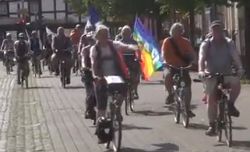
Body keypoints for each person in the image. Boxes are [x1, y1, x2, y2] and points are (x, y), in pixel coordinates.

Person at [90, 24, 138, 143]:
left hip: (115, 75)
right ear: (97, 36)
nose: (104, 37)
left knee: (123, 89)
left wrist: (135, 48)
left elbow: (125, 46)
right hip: (101, 77)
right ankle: (100, 132)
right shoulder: (94, 49)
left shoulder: (113, 44)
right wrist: (96, 76)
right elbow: (93, 63)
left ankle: (116, 109)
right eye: (102, 35)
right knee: (101, 106)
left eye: (106, 35)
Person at [198, 20, 244, 136]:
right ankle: (212, 125)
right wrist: (201, 70)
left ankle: (231, 104)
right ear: (211, 31)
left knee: (236, 83)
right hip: (211, 74)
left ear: (223, 31)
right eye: (214, 29)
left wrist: (240, 68)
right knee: (211, 99)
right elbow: (201, 58)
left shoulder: (229, 43)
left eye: (219, 29)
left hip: (226, 73)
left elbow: (235, 56)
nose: (217, 31)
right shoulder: (206, 43)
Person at [161, 22, 196, 117]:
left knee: (188, 87)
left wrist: (193, 61)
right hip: (170, 66)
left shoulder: (186, 41)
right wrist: (164, 61)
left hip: (183, 67)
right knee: (167, 76)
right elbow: (163, 54)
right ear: (172, 31)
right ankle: (170, 94)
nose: (178, 33)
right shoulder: (167, 41)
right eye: (176, 31)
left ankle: (187, 109)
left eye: (180, 31)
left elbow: (192, 53)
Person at [119, 25, 140, 99]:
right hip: (122, 60)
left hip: (132, 59)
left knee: (136, 73)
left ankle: (135, 91)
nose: (126, 34)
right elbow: (116, 52)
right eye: (124, 33)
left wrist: (137, 58)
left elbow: (137, 52)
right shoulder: (119, 42)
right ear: (122, 33)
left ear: (130, 33)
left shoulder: (133, 42)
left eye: (127, 33)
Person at [80, 31, 96, 119]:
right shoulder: (85, 49)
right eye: (90, 40)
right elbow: (83, 60)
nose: (91, 41)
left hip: (98, 73)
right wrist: (84, 67)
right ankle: (88, 110)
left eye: (93, 40)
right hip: (88, 73)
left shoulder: (99, 49)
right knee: (89, 93)